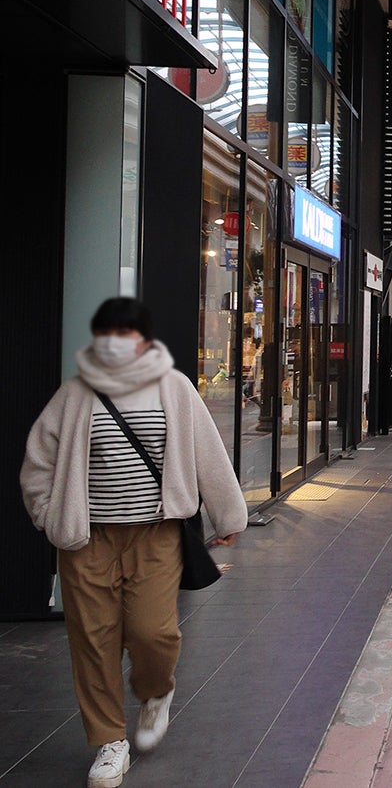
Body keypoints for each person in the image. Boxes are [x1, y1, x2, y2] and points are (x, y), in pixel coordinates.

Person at [20, 297, 248, 788]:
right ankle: (109, 741)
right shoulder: (77, 393)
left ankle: (155, 690)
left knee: (153, 633)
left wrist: (227, 514)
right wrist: (48, 515)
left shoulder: (175, 388)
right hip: (87, 540)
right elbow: (38, 460)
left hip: (156, 534)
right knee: (92, 640)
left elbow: (208, 453)